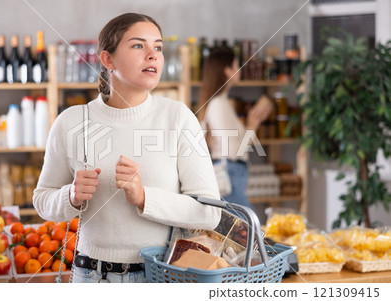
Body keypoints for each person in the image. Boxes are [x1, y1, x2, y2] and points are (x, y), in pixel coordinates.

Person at [33, 13, 221, 283]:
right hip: (89, 277)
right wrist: (71, 196)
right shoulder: (71, 121)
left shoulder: (178, 118)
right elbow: (42, 200)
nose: (152, 55)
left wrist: (145, 198)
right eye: (138, 45)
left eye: (157, 47)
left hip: (157, 277)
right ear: (108, 60)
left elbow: (210, 212)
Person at [197, 48, 273, 212]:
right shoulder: (219, 105)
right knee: (248, 226)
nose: (240, 70)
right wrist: (252, 127)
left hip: (231, 173)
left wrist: (254, 123)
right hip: (229, 174)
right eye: (237, 65)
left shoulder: (221, 103)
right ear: (227, 71)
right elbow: (235, 150)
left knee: (244, 229)